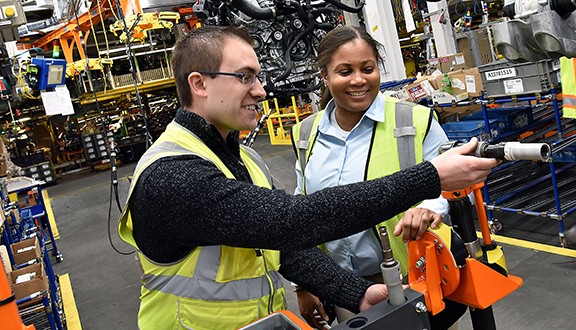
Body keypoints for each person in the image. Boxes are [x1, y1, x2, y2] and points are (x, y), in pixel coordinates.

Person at [118, 25, 499, 330]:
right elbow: (290, 221)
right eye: (245, 77)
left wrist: (354, 293)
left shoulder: (240, 157)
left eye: (259, 76)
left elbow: (278, 247)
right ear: (199, 84)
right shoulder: (172, 175)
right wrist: (429, 177)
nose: (261, 90)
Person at [291, 26, 467, 329]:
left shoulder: (413, 120)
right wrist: (305, 285)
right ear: (324, 76)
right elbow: (301, 210)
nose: (358, 80)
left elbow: (445, 183)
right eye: (344, 71)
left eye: (367, 68)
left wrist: (428, 209)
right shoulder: (306, 132)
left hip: (415, 281)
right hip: (347, 290)